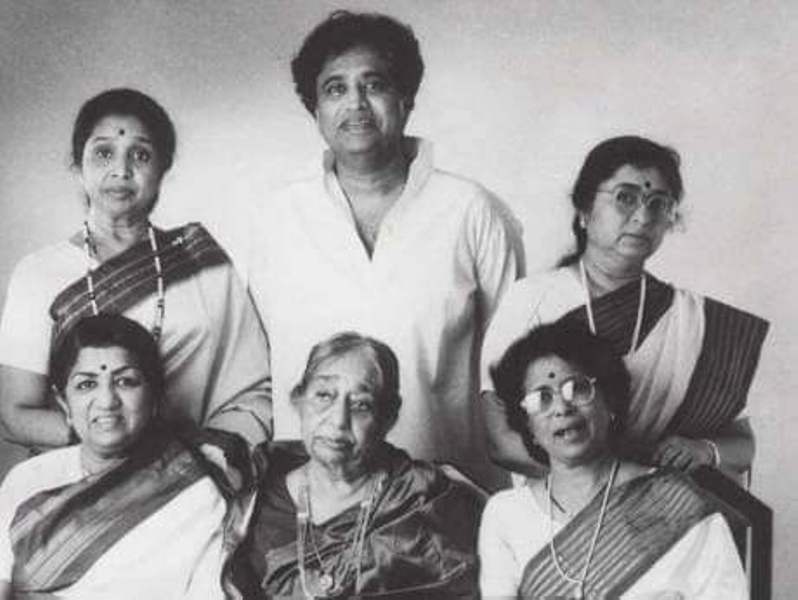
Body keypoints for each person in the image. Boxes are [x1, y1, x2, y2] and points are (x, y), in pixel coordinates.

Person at [248, 10, 524, 491]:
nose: (354, 103)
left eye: (373, 84)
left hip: (445, 501)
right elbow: (257, 368)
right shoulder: (279, 218)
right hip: (308, 501)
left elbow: (516, 369)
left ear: (406, 98)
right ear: (314, 109)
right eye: (335, 88)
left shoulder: (472, 212)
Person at [0, 88, 272, 451]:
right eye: (103, 153)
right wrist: (115, 447)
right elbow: (15, 414)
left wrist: (194, 463)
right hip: (85, 487)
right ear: (77, 166)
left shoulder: (200, 263)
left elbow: (254, 390)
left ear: (163, 168)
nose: (121, 170)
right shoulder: (38, 274)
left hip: (198, 473)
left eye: (140, 155)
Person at [481, 135, 768, 479]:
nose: (643, 216)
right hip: (558, 514)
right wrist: (607, 483)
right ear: (584, 211)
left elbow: (742, 444)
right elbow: (501, 440)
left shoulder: (696, 322)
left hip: (663, 511)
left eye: (659, 203)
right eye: (625, 198)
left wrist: (704, 450)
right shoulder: (530, 300)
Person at [478, 323, 747, 598]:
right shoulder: (506, 515)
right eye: (541, 398)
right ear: (528, 427)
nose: (561, 407)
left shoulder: (678, 503)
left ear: (610, 403)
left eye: (578, 388)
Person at [0, 314, 252, 599]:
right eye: (86, 385)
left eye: (125, 382)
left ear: (155, 397)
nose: (107, 401)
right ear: (64, 403)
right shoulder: (27, 480)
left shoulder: (194, 492)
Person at [233, 332, 484, 599]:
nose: (339, 420)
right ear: (299, 400)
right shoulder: (252, 494)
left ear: (387, 417)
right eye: (324, 395)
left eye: (361, 405)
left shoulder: (423, 499)